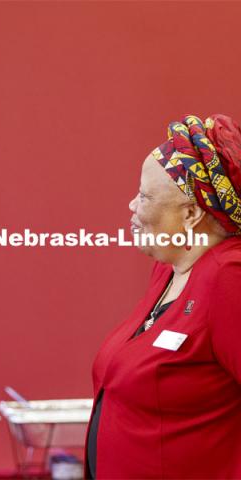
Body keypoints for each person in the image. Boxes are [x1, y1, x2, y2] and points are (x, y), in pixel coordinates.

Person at [85, 114, 241, 479]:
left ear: (190, 213)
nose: (132, 206)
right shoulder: (170, 269)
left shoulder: (228, 278)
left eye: (144, 196)